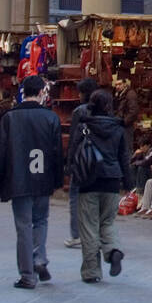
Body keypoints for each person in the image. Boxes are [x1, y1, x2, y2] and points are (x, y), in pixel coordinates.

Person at [0, 75, 63, 289]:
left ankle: (27, 274)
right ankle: (39, 258)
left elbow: (0, 153)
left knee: (23, 226)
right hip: (43, 179)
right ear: (40, 93)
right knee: (41, 221)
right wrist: (57, 180)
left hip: (18, 180)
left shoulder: (10, 118)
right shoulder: (51, 118)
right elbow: (56, 153)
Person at [69, 89, 126, 282]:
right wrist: (128, 182)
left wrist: (70, 174)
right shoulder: (118, 128)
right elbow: (123, 157)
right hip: (112, 180)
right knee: (107, 222)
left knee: (89, 226)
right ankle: (113, 250)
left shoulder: (84, 126)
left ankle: (92, 272)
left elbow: (73, 153)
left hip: (88, 180)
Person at [63, 77, 99, 249]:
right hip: (99, 161)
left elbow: (74, 140)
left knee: (75, 197)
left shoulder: (80, 111)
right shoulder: (105, 110)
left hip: (82, 160)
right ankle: (95, 234)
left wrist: (69, 163)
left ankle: (76, 235)